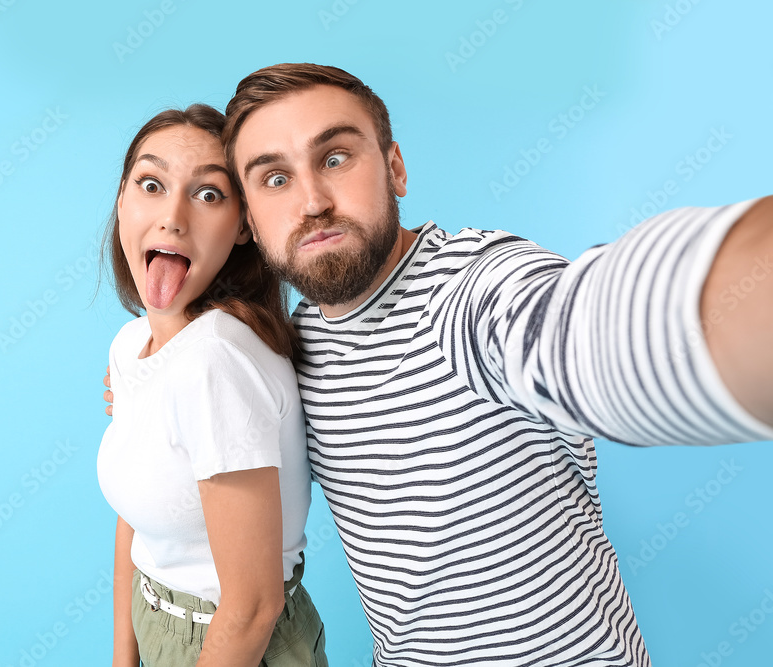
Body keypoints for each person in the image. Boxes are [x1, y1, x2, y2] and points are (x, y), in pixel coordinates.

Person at [109, 64, 773, 666]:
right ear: (251, 219)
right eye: (275, 178)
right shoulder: (294, 346)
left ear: (395, 167)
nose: (311, 200)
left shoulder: (473, 290)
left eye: (336, 156)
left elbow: (589, 325)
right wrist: (140, 389)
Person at [96, 104, 328, 667]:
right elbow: (138, 520)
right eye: (151, 184)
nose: (173, 217)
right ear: (122, 200)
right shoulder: (131, 346)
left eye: (208, 195)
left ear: (244, 225)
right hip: (157, 620)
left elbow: (250, 609)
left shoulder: (215, 363)